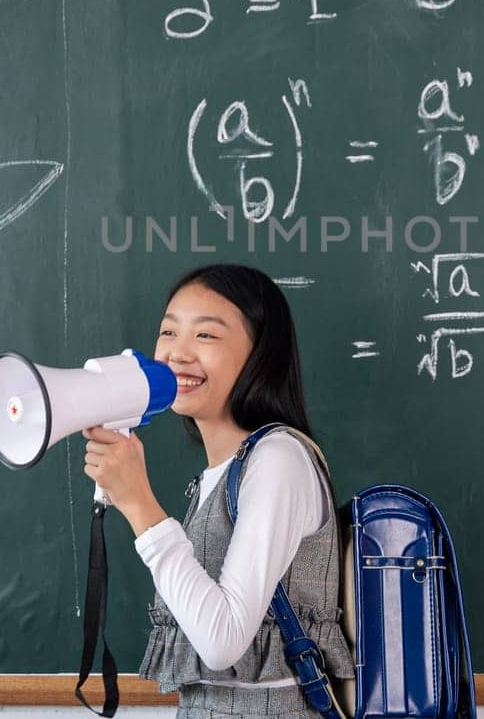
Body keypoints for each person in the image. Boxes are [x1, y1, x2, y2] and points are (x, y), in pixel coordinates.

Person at [82, 263, 352, 719]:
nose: (177, 354)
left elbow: (222, 641)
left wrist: (137, 503)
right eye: (168, 333)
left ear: (261, 354)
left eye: (205, 336)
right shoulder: (223, 472)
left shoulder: (278, 460)